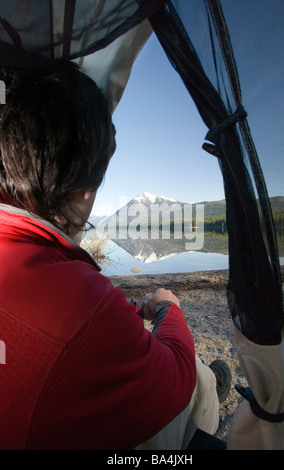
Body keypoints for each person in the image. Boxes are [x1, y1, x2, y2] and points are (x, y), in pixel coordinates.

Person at [0, 62, 226, 450]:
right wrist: (169, 307)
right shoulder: (77, 304)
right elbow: (174, 373)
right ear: (85, 190)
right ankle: (210, 394)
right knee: (189, 389)